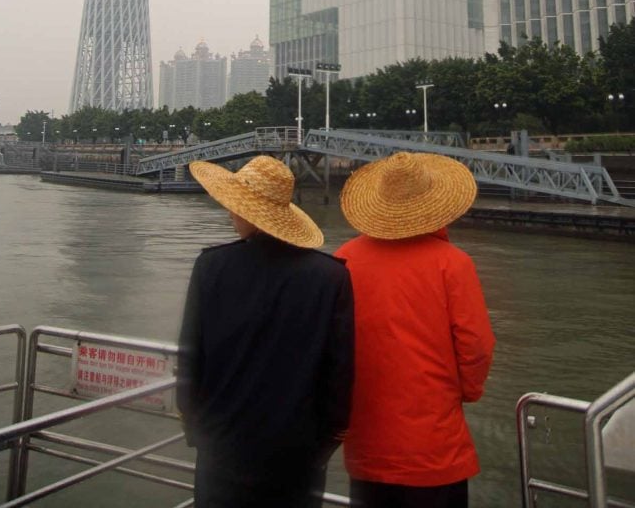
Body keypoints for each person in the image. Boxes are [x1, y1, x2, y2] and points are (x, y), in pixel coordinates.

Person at [177, 154, 354, 508]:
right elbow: (339, 375)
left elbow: (190, 360)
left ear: (247, 212)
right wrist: (324, 445)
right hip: (296, 455)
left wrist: (197, 430)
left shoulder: (211, 267)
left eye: (233, 206)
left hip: (221, 449)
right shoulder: (330, 277)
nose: (229, 213)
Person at [336, 151, 495, 508]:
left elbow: (333, 345)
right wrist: (465, 391)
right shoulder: (452, 264)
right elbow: (476, 345)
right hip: (435, 445)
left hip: (366, 441)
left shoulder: (344, 258)